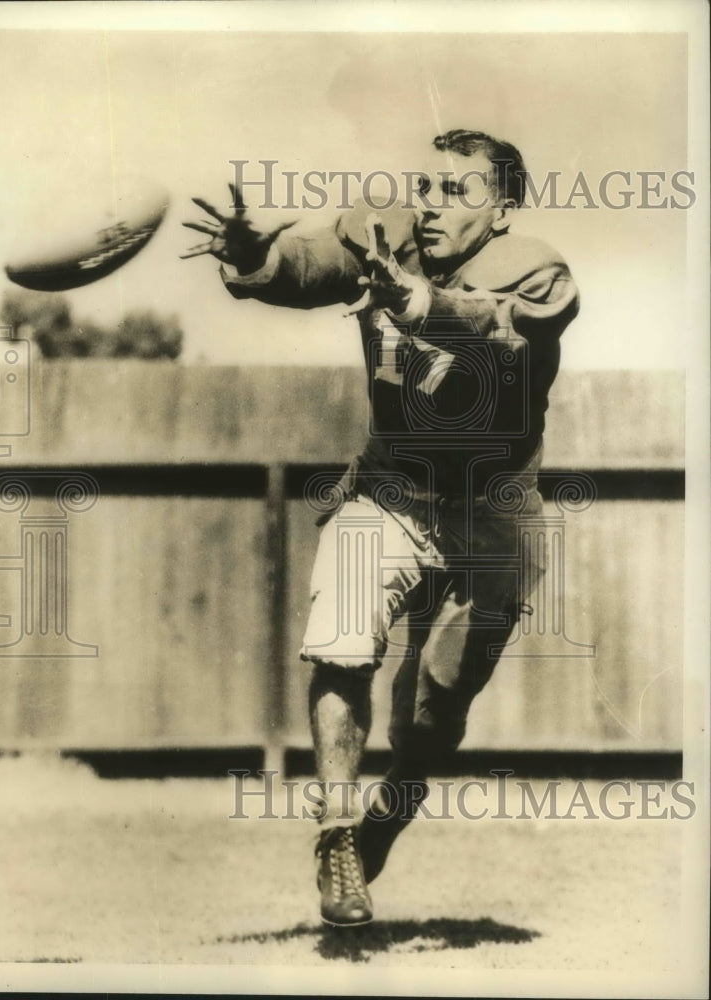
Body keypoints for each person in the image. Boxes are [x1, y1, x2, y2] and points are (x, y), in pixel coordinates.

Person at [183, 129, 580, 927]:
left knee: (435, 704)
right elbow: (306, 269)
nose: (432, 205)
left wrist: (421, 303)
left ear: (500, 210)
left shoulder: (534, 264)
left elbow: (504, 326)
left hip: (492, 508)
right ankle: (335, 832)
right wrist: (256, 259)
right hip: (392, 488)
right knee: (340, 640)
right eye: (427, 188)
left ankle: (390, 811)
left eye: (459, 192)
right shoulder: (384, 232)